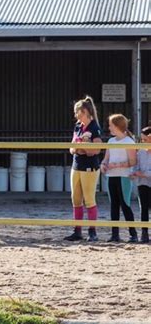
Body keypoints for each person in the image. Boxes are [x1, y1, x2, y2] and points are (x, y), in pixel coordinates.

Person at [65, 96, 102, 242]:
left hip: (89, 167)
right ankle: (77, 230)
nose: (76, 115)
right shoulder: (78, 126)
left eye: (78, 112)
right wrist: (79, 148)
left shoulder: (94, 127)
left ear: (85, 111)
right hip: (76, 165)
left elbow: (96, 150)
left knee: (89, 199)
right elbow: (72, 147)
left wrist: (82, 148)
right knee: (76, 198)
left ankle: (92, 231)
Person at [101, 114, 138, 243]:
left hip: (124, 177)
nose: (109, 127)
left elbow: (133, 162)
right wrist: (103, 165)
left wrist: (117, 165)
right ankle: (114, 234)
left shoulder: (129, 142)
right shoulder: (110, 141)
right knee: (114, 206)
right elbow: (106, 158)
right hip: (112, 176)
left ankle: (133, 234)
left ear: (117, 126)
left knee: (125, 205)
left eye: (111, 125)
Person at [130, 126, 151, 243]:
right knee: (143, 208)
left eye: (145, 140)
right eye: (142, 140)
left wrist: (143, 174)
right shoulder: (140, 152)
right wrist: (134, 173)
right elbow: (135, 166)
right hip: (142, 183)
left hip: (147, 180)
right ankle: (144, 233)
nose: (143, 142)